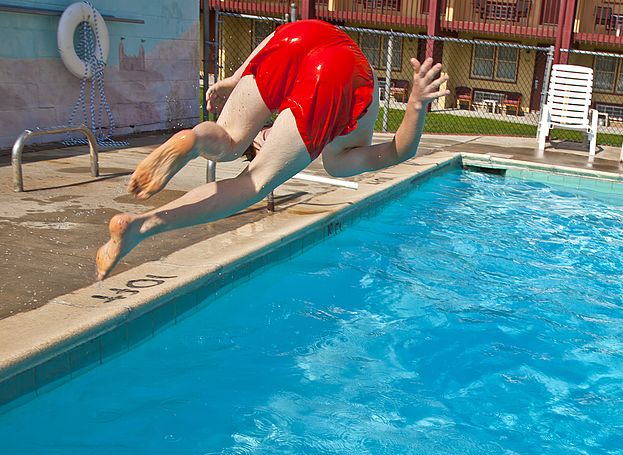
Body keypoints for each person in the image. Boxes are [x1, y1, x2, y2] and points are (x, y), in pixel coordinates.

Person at [95, 19, 449, 280]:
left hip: (302, 35)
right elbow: (400, 151)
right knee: (254, 182)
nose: (266, 137)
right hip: (332, 59)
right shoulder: (339, 159)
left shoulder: (334, 154)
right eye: (263, 140)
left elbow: (279, 36)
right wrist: (415, 105)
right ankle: (142, 226)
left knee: (228, 138)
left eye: (261, 139)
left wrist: (236, 78)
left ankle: (197, 139)